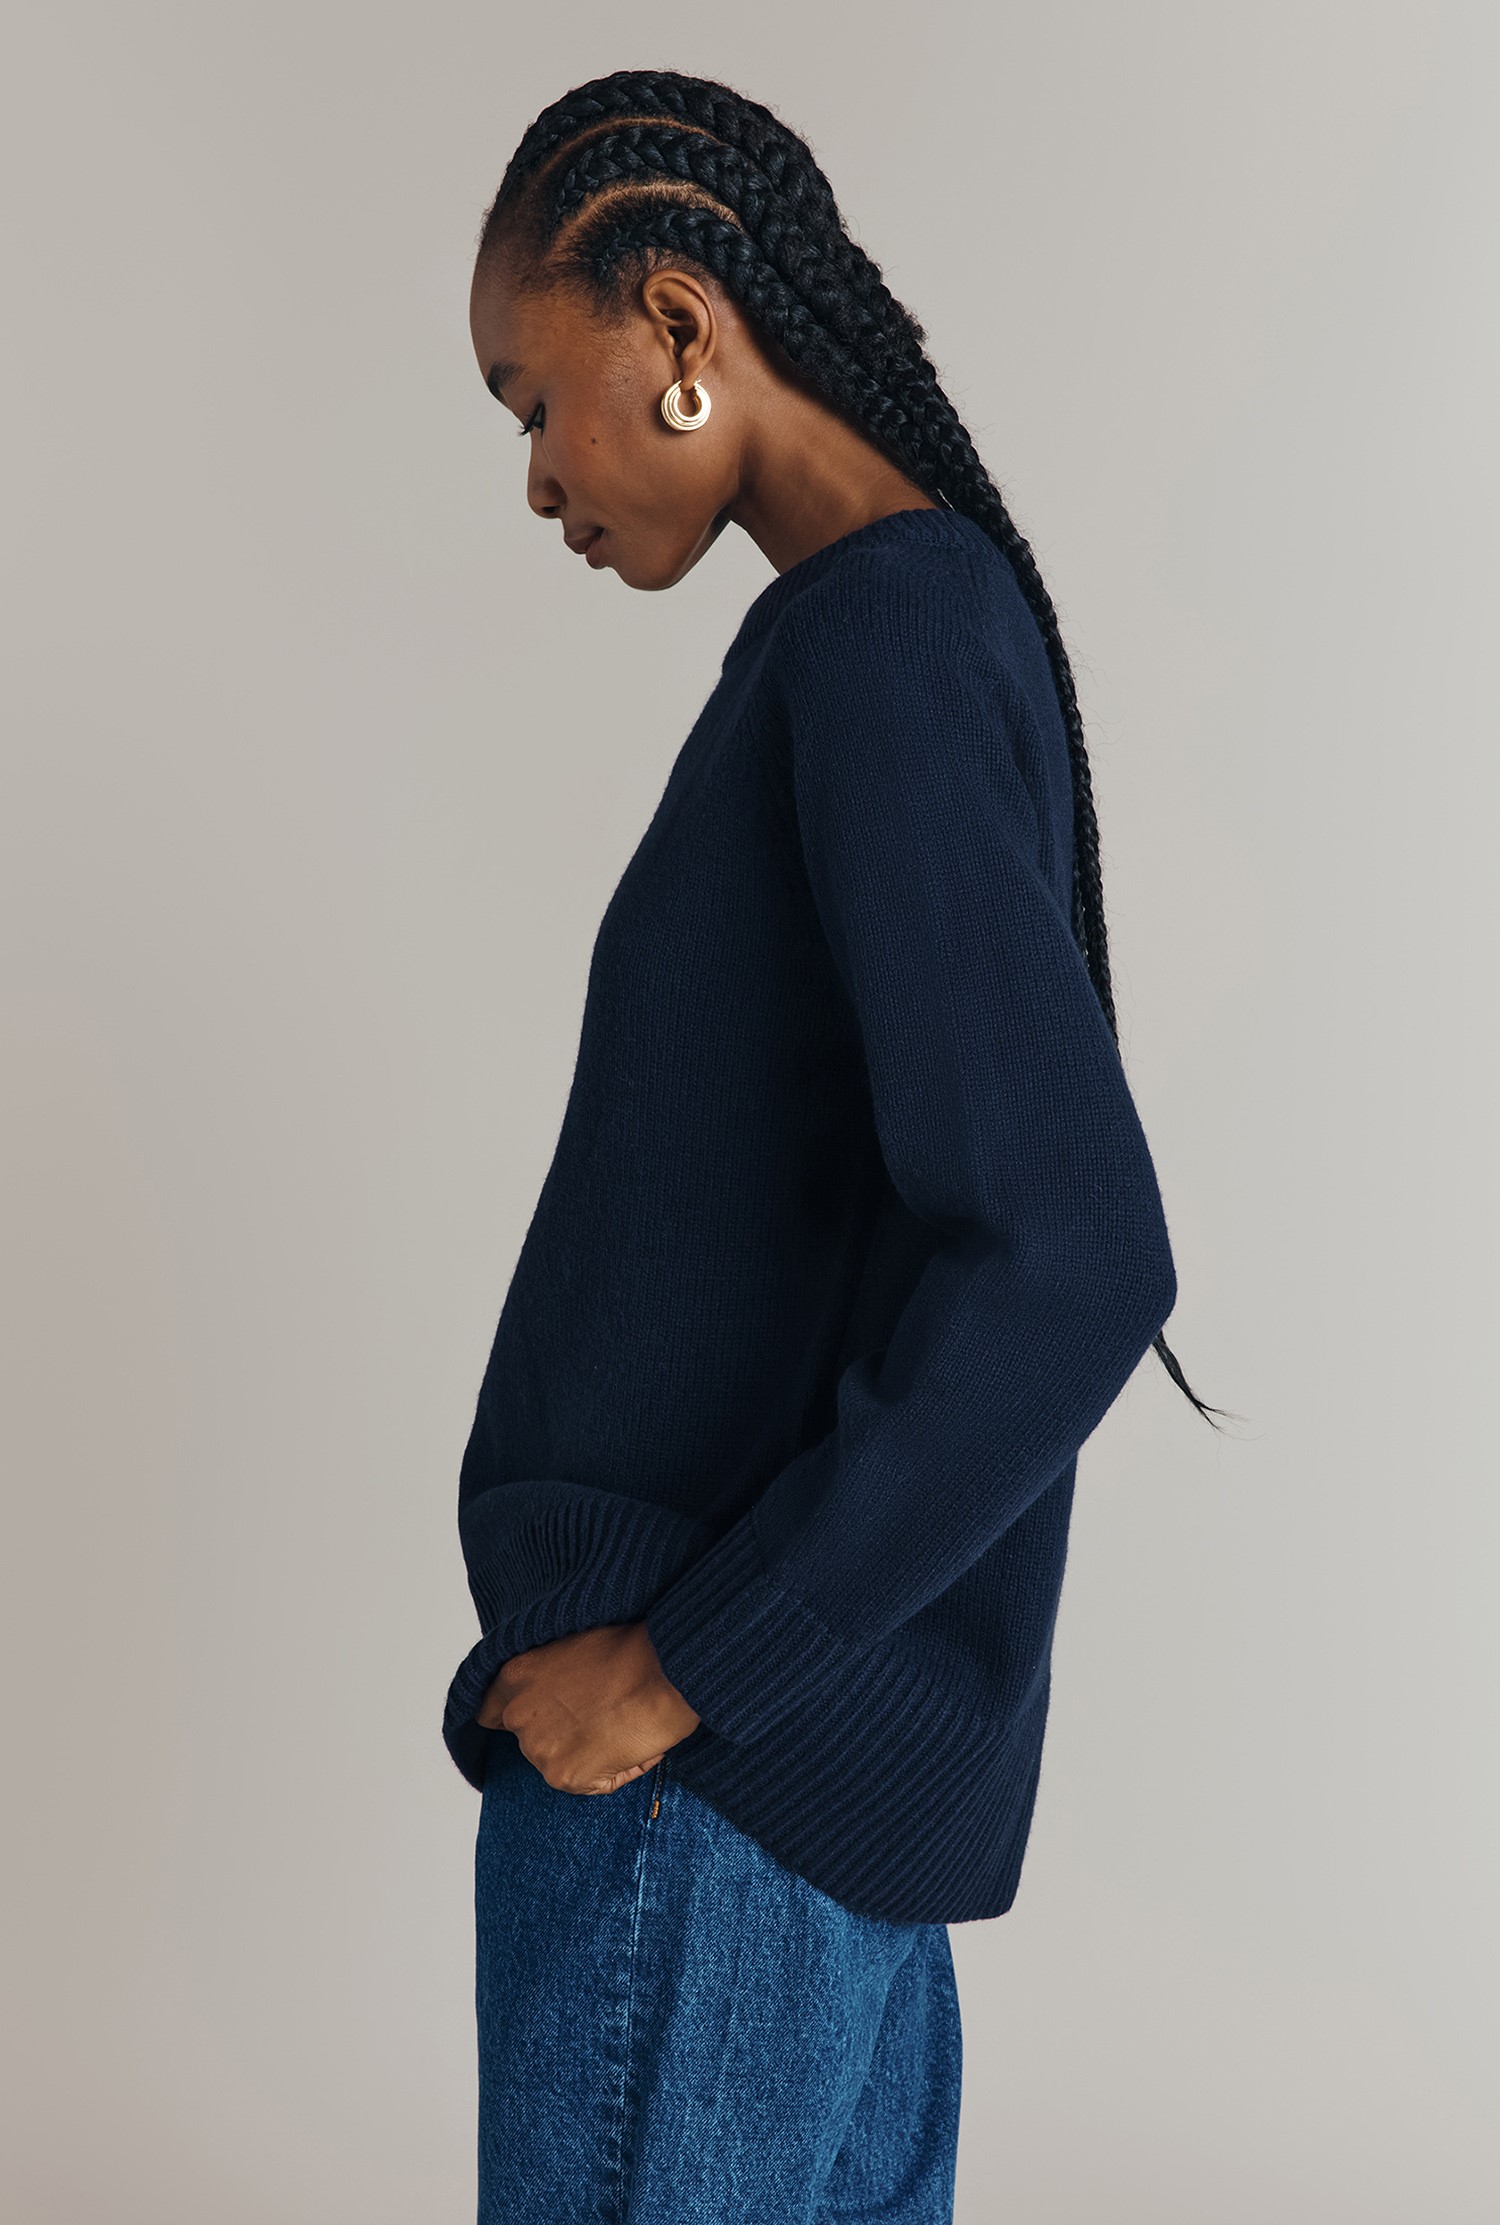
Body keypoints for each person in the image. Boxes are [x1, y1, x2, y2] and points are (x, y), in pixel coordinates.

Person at [444, 67, 1222, 2225]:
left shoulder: (881, 636)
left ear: (679, 327)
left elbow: (1074, 1250)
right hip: (803, 1835)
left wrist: (687, 1668)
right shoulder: (907, 630)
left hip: (713, 1822)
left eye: (533, 398)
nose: (536, 476)